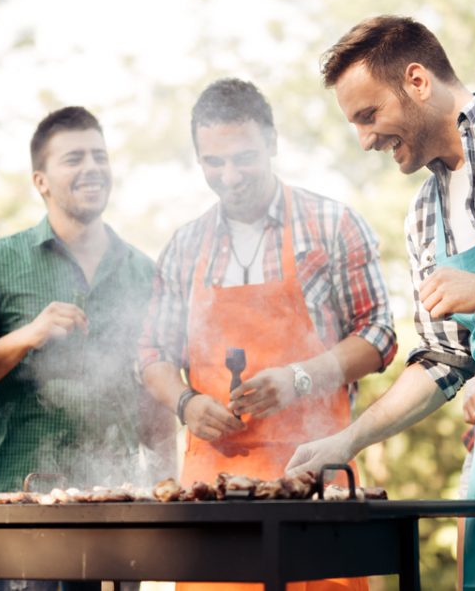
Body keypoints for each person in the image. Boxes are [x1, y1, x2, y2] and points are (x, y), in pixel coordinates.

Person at [289, 15, 475, 590]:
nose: (364, 139)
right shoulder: (423, 218)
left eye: (368, 115)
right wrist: (346, 440)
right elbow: (444, 360)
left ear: (418, 81)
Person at [139, 78, 396, 591]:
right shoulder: (185, 245)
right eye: (214, 162)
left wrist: (302, 377)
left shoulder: (333, 225)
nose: (229, 176)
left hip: (314, 480)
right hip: (211, 494)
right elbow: (152, 353)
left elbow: (380, 335)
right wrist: (187, 403)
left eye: (244, 157)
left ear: (272, 143)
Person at [0, 107, 172, 589]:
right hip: (18, 516)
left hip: (118, 517)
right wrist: (26, 336)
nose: (92, 168)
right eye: (74, 158)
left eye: (100, 156)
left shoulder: (146, 274)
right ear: (40, 180)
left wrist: (167, 495)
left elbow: (155, 397)